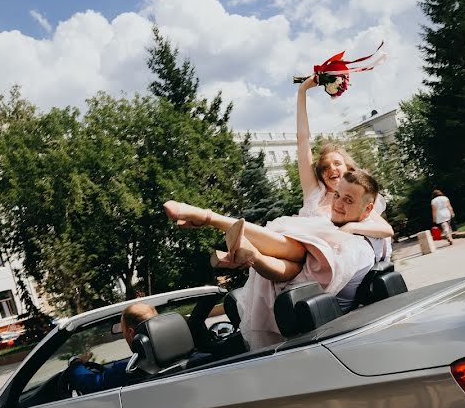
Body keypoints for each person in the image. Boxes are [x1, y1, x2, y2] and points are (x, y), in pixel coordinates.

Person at [165, 170, 388, 348]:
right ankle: (252, 254)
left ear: (367, 209)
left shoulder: (360, 246)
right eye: (337, 195)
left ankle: (211, 219)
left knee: (302, 251)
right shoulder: (349, 231)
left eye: (348, 200)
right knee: (299, 246)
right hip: (304, 296)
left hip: (313, 315)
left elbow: (305, 277)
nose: (338, 204)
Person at [296, 77, 394, 252]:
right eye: (325, 167)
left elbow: (386, 230)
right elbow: (302, 140)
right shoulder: (314, 194)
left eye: (336, 164)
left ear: (348, 170)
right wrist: (302, 91)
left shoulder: (355, 199)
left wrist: (350, 228)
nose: (331, 169)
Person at [67, 302, 157, 395]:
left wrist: (75, 362)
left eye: (123, 331)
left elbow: (88, 383)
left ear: (130, 333)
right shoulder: (168, 361)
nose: (124, 336)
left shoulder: (130, 371)